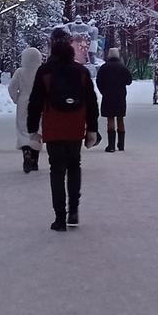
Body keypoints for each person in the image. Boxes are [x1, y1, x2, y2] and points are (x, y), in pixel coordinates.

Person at [27, 28, 100, 231]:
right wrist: (92, 128)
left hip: (54, 126)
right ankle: (74, 210)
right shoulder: (81, 72)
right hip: (75, 125)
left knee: (56, 169)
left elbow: (35, 101)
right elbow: (92, 102)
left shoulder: (45, 71)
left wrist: (32, 129)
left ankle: (60, 217)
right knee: (74, 165)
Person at [7, 45, 44, 173]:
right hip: (39, 102)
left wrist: (17, 98)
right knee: (37, 128)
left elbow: (12, 87)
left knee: (23, 129)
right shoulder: (42, 71)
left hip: (23, 101)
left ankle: (26, 151)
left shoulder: (20, 72)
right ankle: (34, 160)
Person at [95, 47, 132, 152]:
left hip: (108, 96)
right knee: (120, 118)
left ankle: (111, 146)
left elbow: (98, 81)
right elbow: (129, 81)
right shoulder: (122, 67)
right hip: (120, 96)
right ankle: (121, 144)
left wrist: (103, 91)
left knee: (110, 118)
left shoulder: (104, 68)